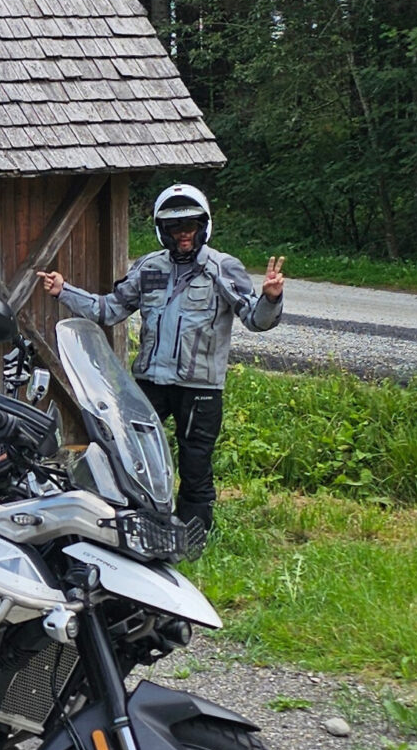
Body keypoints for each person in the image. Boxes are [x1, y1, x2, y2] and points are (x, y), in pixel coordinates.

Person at [37, 182, 285, 536]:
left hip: (200, 387)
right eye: (174, 226)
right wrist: (64, 291)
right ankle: (134, 525)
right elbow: (109, 310)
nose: (183, 233)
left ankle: (194, 535)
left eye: (190, 225)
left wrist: (271, 298)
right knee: (127, 453)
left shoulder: (223, 268)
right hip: (151, 383)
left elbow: (255, 320)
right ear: (162, 229)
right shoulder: (148, 268)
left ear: (203, 225)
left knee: (195, 463)